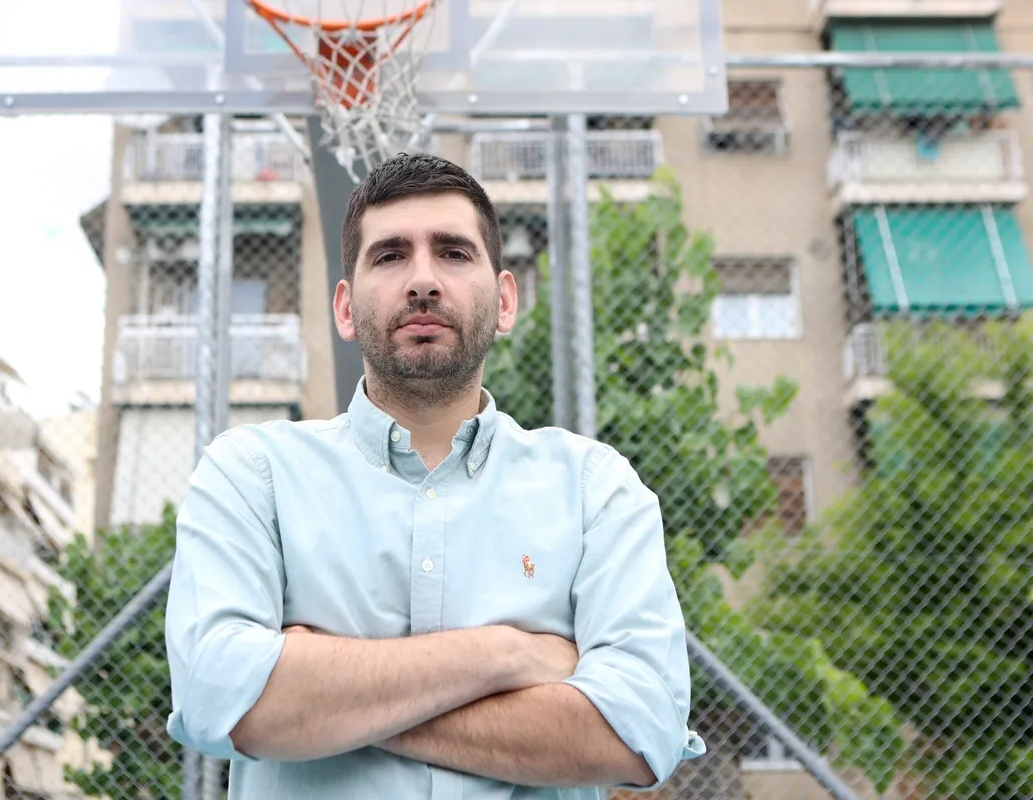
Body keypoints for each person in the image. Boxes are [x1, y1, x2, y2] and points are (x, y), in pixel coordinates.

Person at [164, 152, 705, 798]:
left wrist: (322, 698)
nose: (422, 280)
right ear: (345, 309)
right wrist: (506, 655)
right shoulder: (252, 475)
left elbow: (639, 732)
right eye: (390, 255)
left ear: (505, 301)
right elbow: (218, 695)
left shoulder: (595, 489)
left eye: (453, 252)